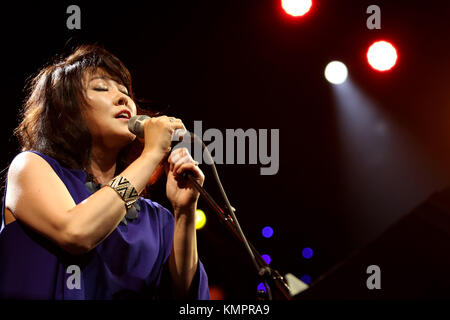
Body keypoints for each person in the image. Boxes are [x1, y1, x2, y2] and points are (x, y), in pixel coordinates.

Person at [0, 44, 209, 299]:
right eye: (101, 88)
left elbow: (185, 295)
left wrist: (184, 212)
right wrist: (152, 154)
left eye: (124, 92)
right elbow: (76, 231)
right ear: (67, 111)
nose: (123, 99)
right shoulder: (30, 167)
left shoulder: (155, 218)